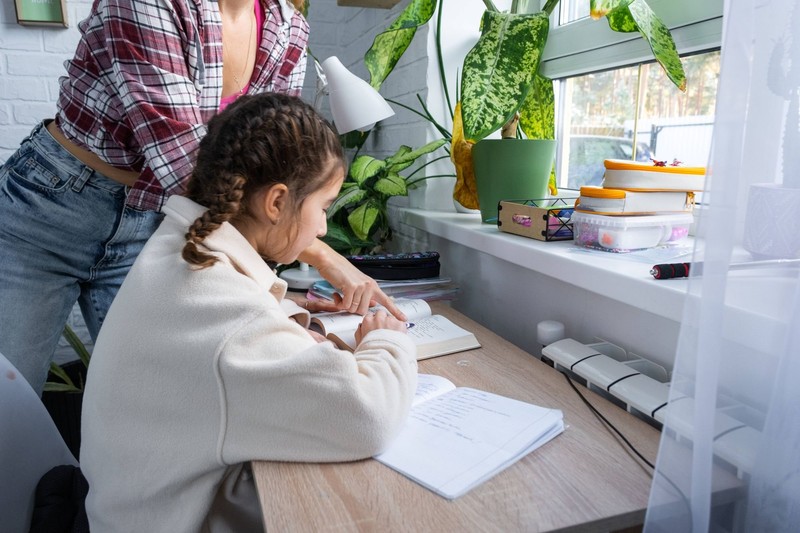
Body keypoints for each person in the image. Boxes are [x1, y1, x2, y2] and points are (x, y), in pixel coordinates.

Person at [0, 0, 403, 395]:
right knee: (11, 411)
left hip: (157, 219)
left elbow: (275, 168)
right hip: (48, 211)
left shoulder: (287, 29)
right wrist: (324, 257)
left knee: (154, 398)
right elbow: (188, 165)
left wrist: (286, 315)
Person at [80, 92, 419, 532]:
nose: (321, 228)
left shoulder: (180, 249)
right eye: (324, 207)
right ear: (276, 202)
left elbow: (226, 334)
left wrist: (291, 315)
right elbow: (368, 417)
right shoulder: (226, 312)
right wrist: (387, 338)